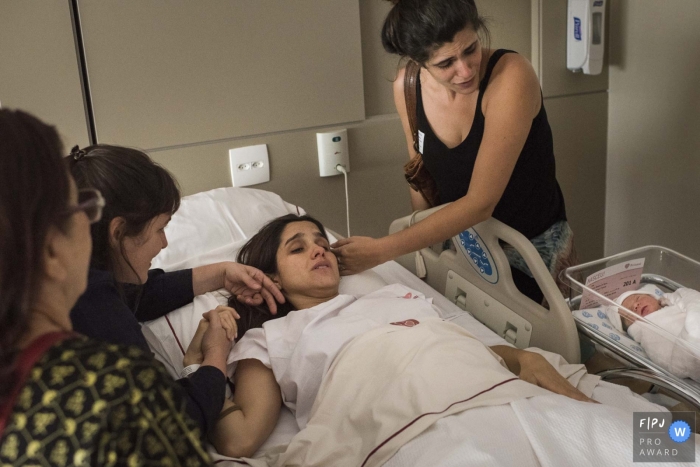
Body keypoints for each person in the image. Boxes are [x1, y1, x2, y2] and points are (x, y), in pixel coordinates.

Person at [184, 214, 596, 461]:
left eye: (321, 243)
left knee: (636, 443)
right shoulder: (271, 337)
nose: (318, 251)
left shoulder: (394, 293)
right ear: (270, 276)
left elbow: (448, 344)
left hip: (490, 388)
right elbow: (239, 439)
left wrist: (521, 359)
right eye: (298, 248)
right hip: (412, 425)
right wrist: (205, 355)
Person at [0, 108, 218, 465]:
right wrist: (212, 362)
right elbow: (183, 424)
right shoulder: (113, 386)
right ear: (51, 250)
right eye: (82, 211)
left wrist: (218, 274)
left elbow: (131, 297)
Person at [332, 0, 575, 304]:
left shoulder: (511, 76)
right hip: (463, 249)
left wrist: (382, 249)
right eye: (446, 63)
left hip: (532, 253)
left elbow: (479, 203)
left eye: (471, 49)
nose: (465, 70)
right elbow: (420, 177)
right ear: (419, 62)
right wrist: (426, 254)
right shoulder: (407, 87)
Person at [68, 144, 286, 437]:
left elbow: (132, 296)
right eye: (159, 229)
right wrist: (213, 356)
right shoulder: (90, 308)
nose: (164, 243)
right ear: (117, 233)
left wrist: (221, 273)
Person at [610, 284, 700, 381]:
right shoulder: (649, 334)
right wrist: (693, 332)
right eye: (629, 311)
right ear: (631, 328)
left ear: (653, 297)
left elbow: (690, 296)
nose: (636, 305)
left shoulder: (673, 301)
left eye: (638, 298)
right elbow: (677, 363)